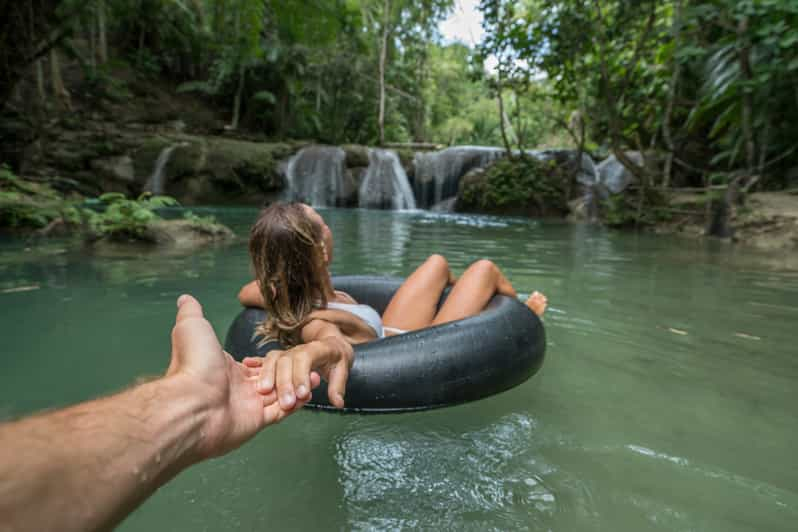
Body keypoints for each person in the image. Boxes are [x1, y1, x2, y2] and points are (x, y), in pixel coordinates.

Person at [0, 294, 348, 532]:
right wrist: (327, 338)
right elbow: (326, 334)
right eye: (317, 234)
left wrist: (193, 402)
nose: (324, 242)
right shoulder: (309, 311)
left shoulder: (327, 298)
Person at [238, 202, 547, 411]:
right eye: (323, 223)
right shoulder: (316, 320)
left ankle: (470, 308)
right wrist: (316, 351)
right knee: (484, 269)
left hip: (389, 329)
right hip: (414, 349)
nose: (328, 227)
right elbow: (330, 343)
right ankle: (520, 318)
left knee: (437, 264)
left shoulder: (297, 295)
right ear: (320, 250)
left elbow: (247, 292)